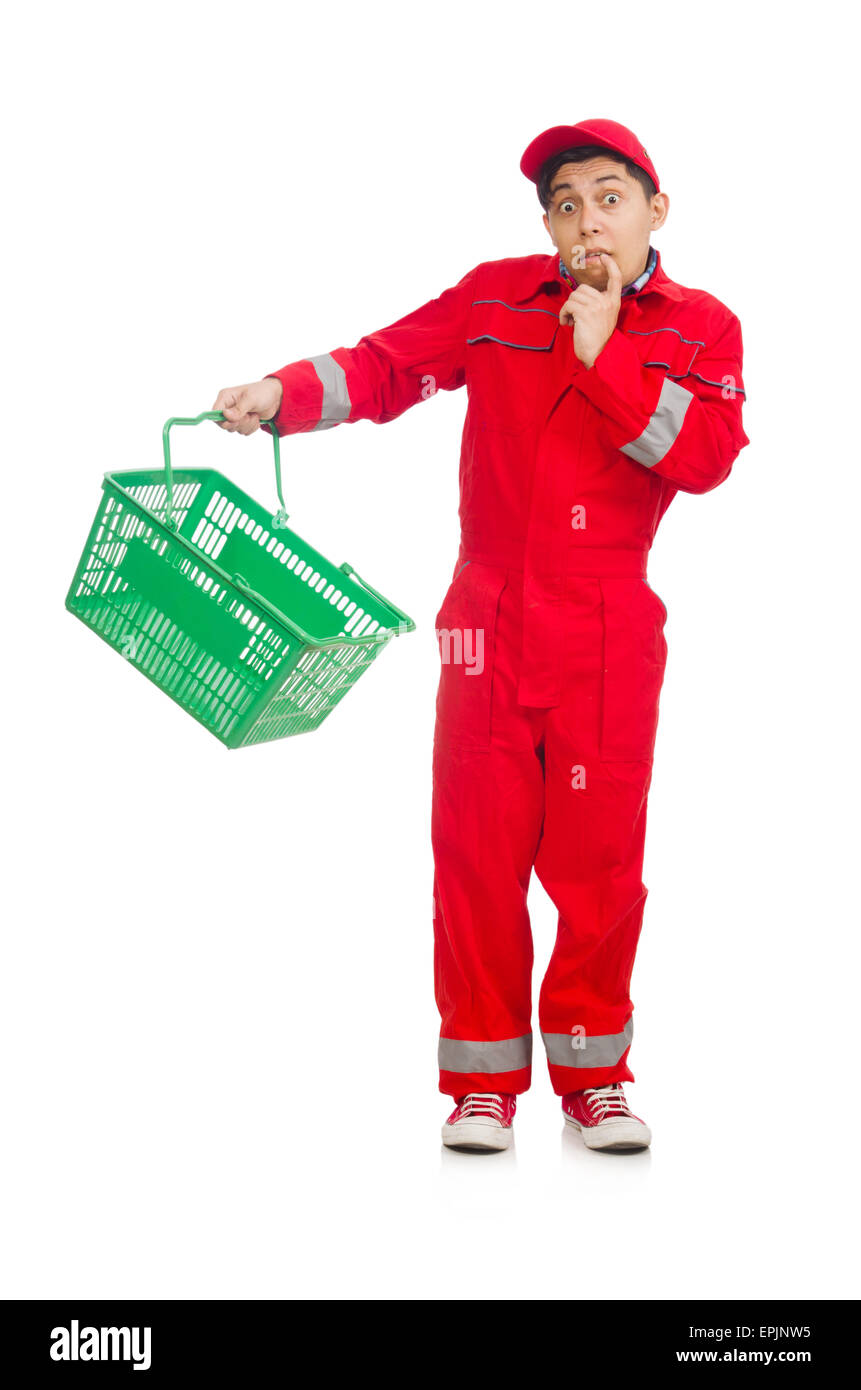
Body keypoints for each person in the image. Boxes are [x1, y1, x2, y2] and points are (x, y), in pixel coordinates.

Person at [211, 118, 749, 1155]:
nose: (584, 220)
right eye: (563, 203)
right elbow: (387, 365)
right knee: (474, 848)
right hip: (486, 617)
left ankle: (596, 1077)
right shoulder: (498, 297)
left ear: (655, 211)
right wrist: (282, 395)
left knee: (599, 861)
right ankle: (483, 1080)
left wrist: (602, 354)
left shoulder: (702, 326)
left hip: (606, 620)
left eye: (607, 196)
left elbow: (706, 459)